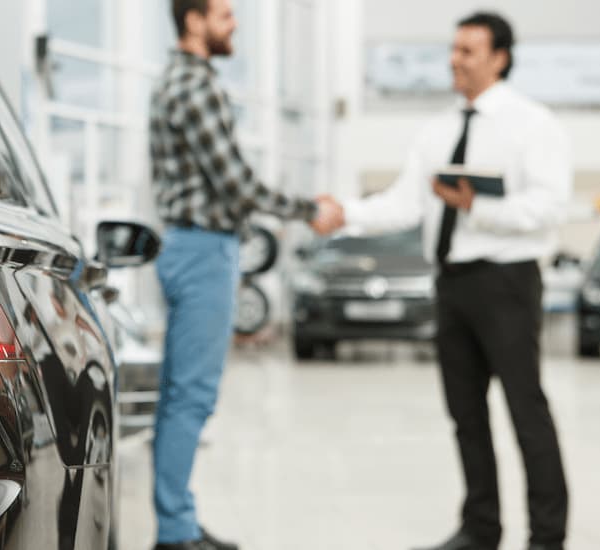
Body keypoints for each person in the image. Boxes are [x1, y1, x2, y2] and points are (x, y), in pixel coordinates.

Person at [338, 12, 571, 550]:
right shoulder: (438, 130)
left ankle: (547, 537)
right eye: (453, 49)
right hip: (453, 284)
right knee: (465, 415)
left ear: (499, 58)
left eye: (468, 51)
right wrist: (341, 212)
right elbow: (402, 204)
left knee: (525, 412)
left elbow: (549, 206)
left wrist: (478, 207)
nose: (454, 60)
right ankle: (480, 528)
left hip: (507, 282)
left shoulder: (533, 124)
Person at [149, 1, 343, 549]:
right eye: (225, 14)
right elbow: (237, 185)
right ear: (194, 20)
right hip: (204, 250)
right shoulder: (195, 86)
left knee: (179, 396)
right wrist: (309, 209)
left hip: (189, 245)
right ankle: (173, 534)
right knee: (192, 398)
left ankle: (177, 522)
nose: (234, 24)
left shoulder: (176, 81)